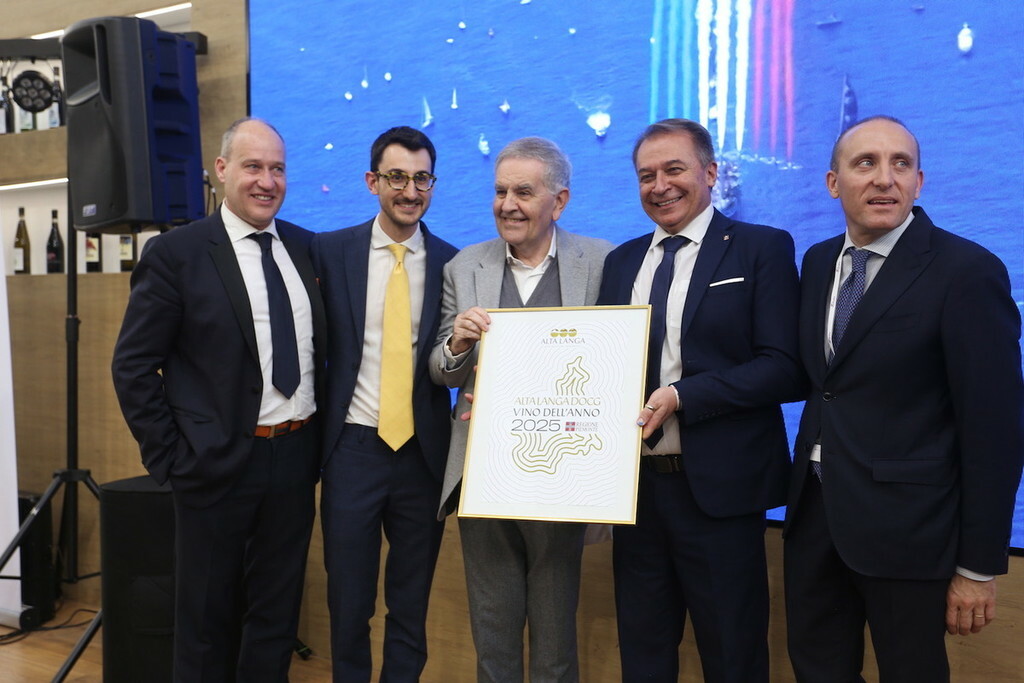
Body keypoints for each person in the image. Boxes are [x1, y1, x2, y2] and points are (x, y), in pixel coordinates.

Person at [783, 115, 1024, 682]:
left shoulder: (967, 271)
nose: (884, 178)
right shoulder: (817, 262)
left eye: (901, 164)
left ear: (919, 181)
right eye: (865, 163)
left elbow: (995, 431)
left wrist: (977, 566)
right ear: (833, 183)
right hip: (814, 518)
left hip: (911, 532)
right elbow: (827, 384)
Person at [111, 117, 326, 681]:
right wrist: (173, 459)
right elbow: (133, 366)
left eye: (278, 169)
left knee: (275, 616)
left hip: (294, 459)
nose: (267, 181)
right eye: (253, 166)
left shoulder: (307, 248)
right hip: (213, 466)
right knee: (205, 621)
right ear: (222, 169)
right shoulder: (176, 254)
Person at [597, 118, 804, 682]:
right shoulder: (622, 263)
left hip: (720, 496)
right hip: (636, 497)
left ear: (710, 173)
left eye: (674, 170)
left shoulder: (761, 248)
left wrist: (683, 395)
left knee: (733, 658)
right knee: (643, 658)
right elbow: (601, 367)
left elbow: (785, 368)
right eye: (646, 176)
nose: (660, 185)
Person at [430, 137, 611, 682]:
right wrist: (457, 344)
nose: (507, 204)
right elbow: (441, 369)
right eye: (500, 191)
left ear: (559, 202)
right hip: (482, 475)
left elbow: (618, 362)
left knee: (555, 644)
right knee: (493, 637)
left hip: (561, 478)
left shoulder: (602, 262)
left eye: (523, 192)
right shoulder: (464, 266)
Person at [312, 126, 457, 681]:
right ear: (373, 181)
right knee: (349, 604)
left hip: (423, 456)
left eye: (422, 179)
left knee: (410, 607)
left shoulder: (452, 263)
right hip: (352, 450)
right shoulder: (329, 252)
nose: (409, 191)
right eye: (397, 177)